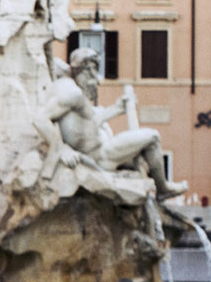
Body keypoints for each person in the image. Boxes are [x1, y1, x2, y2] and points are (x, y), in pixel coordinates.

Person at [38, 48, 187, 199]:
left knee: (141, 156)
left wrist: (116, 109)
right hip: (101, 156)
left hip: (102, 150)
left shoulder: (73, 92)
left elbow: (88, 124)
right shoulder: (72, 93)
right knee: (153, 137)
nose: (98, 80)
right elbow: (39, 119)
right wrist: (61, 149)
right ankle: (163, 188)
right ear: (88, 70)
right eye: (95, 71)